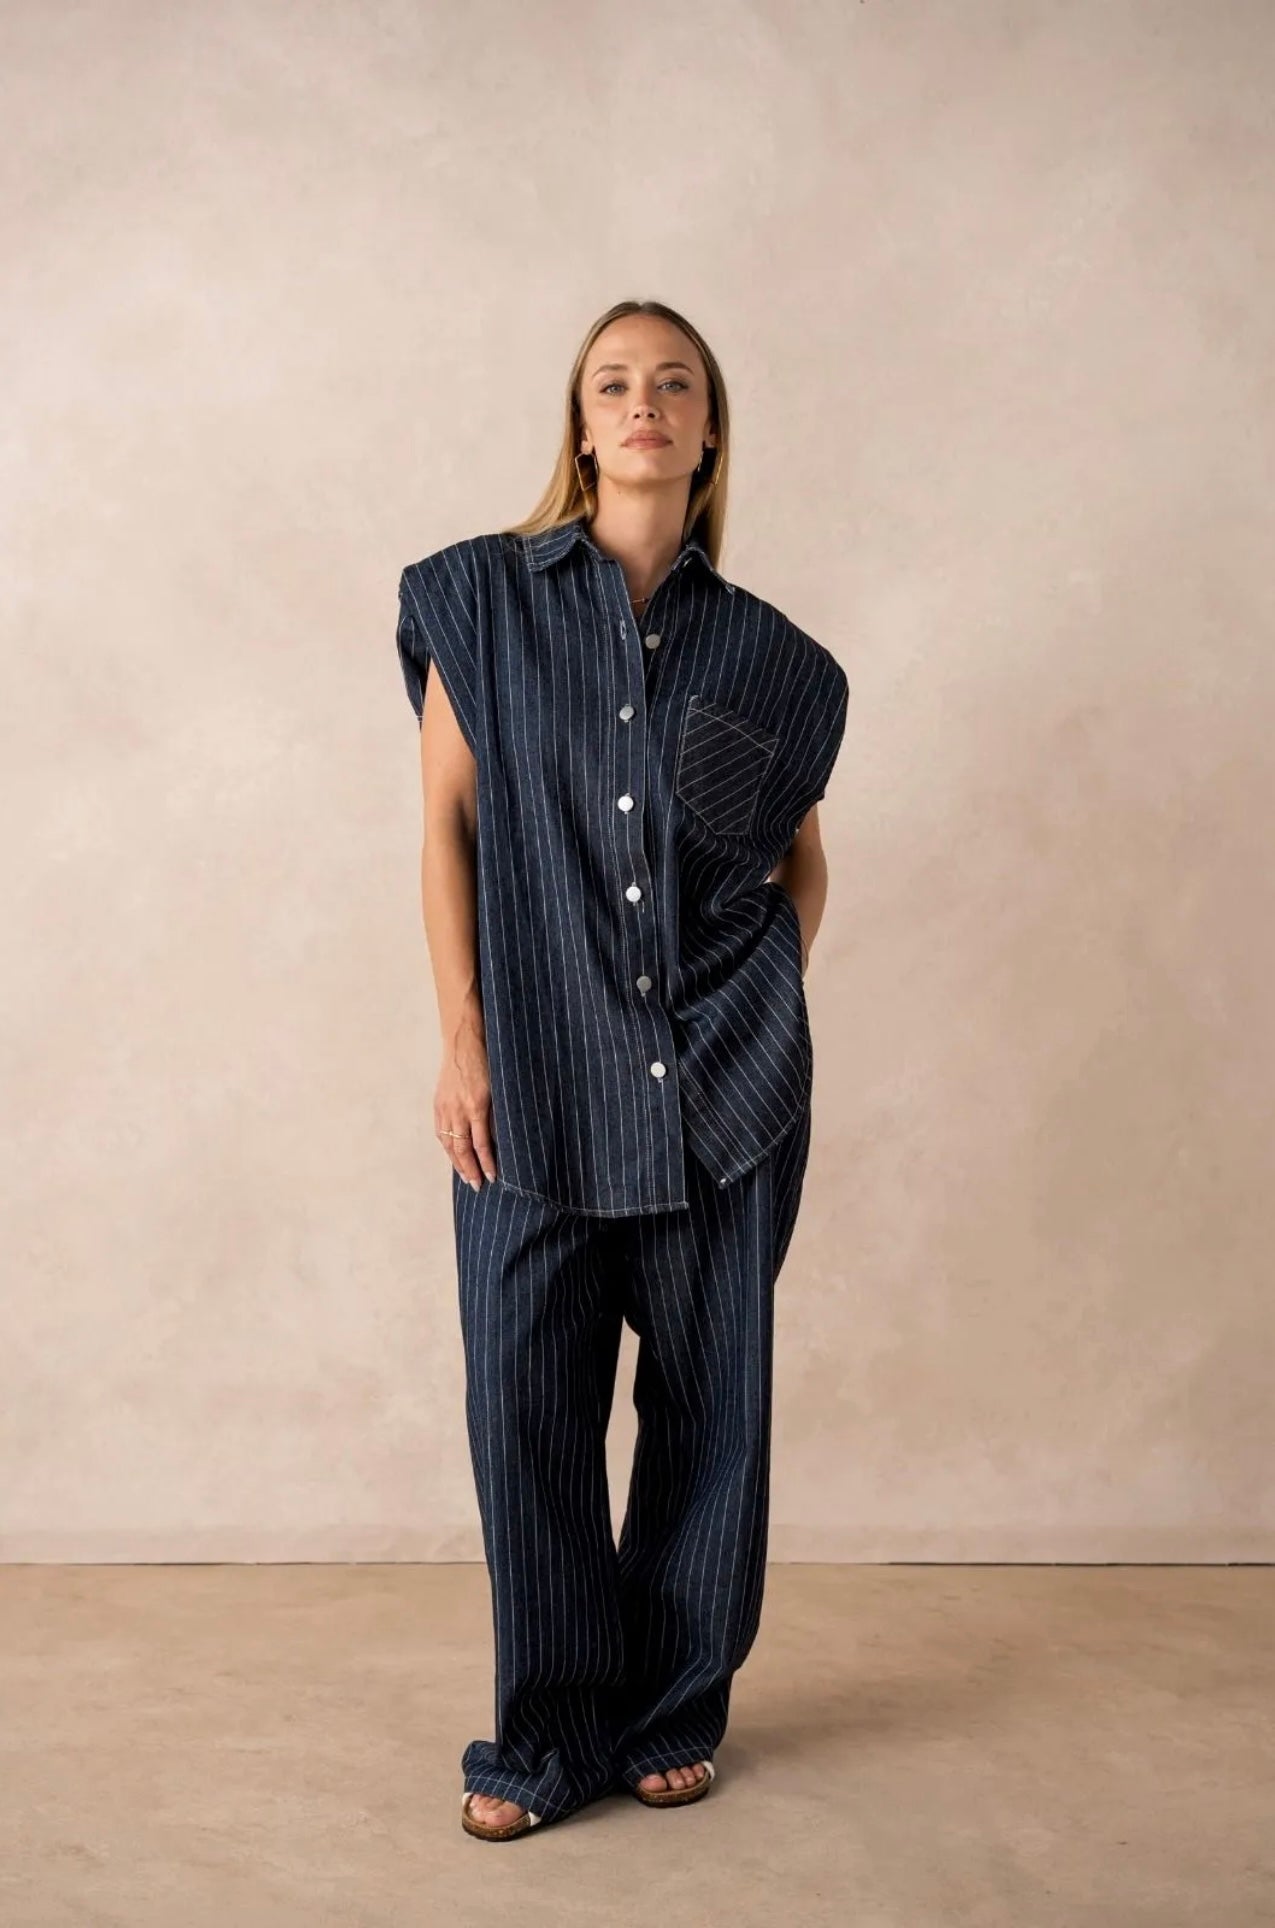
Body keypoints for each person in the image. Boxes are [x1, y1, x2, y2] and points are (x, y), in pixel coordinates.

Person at [394, 298, 850, 1841]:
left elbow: (797, 866)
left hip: (724, 1094)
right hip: (529, 1080)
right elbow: (446, 831)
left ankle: (671, 1712)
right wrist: (464, 1035)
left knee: (712, 1419)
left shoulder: (771, 660)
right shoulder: (479, 601)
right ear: (581, 428)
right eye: (614, 384)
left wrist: (758, 1005)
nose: (644, 402)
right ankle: (545, 1741)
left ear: (709, 431)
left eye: (674, 384)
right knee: (526, 1410)